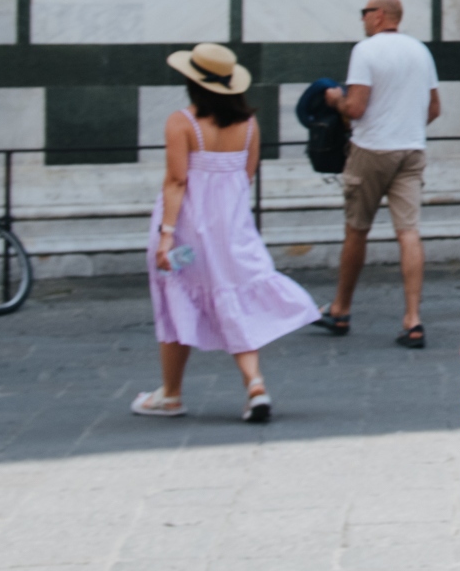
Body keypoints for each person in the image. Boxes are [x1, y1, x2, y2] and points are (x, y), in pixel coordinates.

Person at [130, 43, 320, 421]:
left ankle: (171, 394)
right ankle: (255, 384)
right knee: (232, 301)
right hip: (232, 229)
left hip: (187, 231)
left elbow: (176, 181)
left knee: (175, 300)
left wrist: (166, 235)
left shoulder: (181, 122)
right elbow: (246, 175)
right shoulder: (249, 124)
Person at [312, 0, 439, 349]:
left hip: (371, 150)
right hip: (412, 150)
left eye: (365, 13)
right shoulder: (421, 51)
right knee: (409, 232)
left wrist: (335, 99)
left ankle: (340, 309)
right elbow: (434, 108)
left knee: (357, 230)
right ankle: (413, 320)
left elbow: (355, 108)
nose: (363, 19)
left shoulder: (365, 51)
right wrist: (407, 126)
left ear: (380, 15)